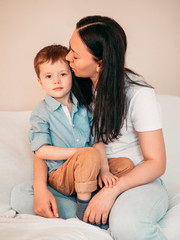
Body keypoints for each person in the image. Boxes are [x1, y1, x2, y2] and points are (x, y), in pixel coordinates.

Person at [11, 16, 169, 239]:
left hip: (132, 180)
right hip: (87, 179)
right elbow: (45, 143)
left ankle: (106, 210)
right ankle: (91, 212)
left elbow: (157, 163)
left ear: (100, 63)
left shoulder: (139, 95)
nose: (67, 58)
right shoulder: (74, 84)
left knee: (127, 226)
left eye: (74, 55)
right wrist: (40, 189)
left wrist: (111, 191)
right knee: (22, 195)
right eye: (69, 50)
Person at [26, 44, 134, 228]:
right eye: (49, 76)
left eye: (63, 74)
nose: (56, 81)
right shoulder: (41, 113)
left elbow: (97, 142)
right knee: (88, 154)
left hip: (87, 165)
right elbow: (41, 151)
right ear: (40, 82)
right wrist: (78, 153)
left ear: (72, 75)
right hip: (61, 175)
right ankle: (85, 212)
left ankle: (99, 195)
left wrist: (105, 170)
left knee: (126, 165)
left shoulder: (84, 106)